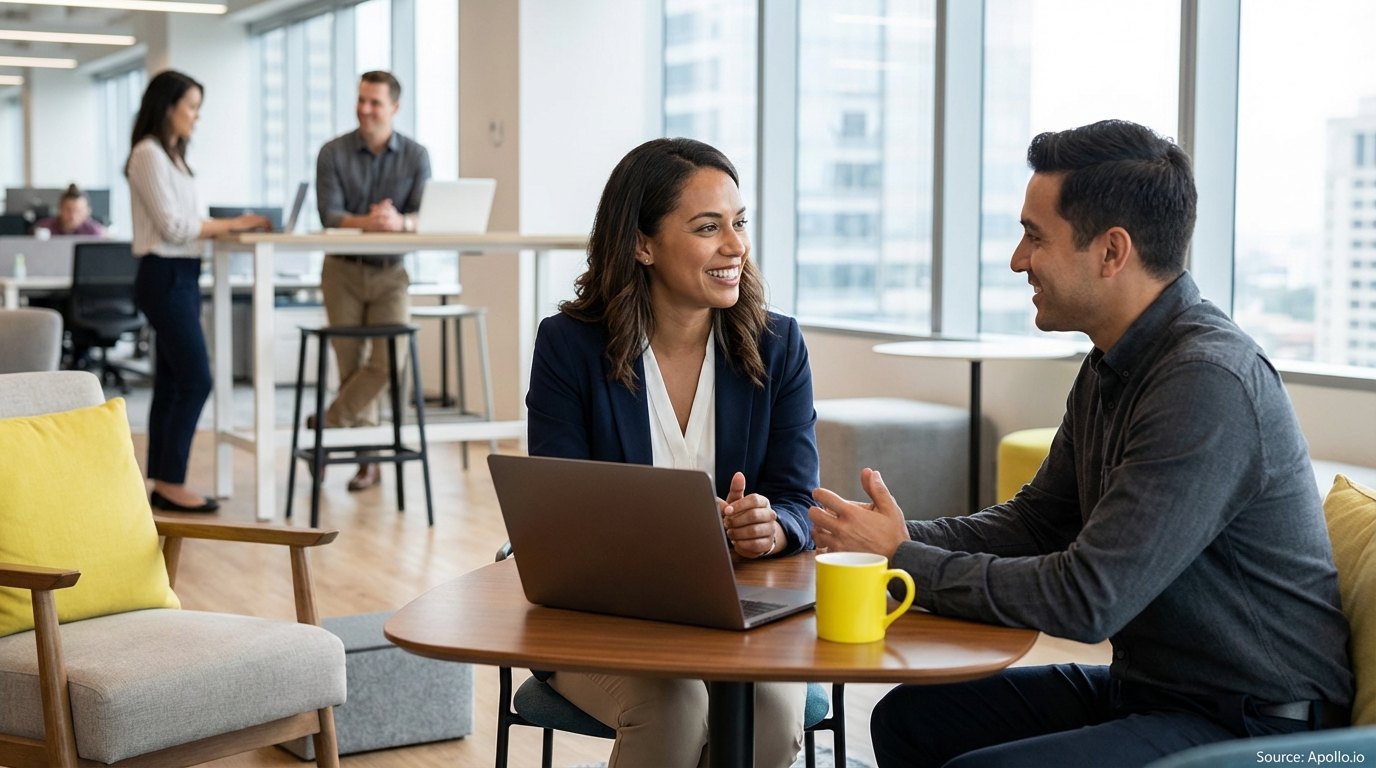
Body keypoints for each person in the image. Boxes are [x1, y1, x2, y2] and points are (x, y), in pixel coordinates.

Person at [809, 120, 1353, 768]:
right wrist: (886, 538)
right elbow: (1040, 520)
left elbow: (1087, 598)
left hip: (1261, 729)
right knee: (913, 719)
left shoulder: (1206, 382)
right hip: (1156, 692)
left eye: (1034, 237)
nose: (1017, 259)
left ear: (1111, 252)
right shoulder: (1112, 363)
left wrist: (905, 560)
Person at [526, 137, 817, 768]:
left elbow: (797, 500)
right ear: (641, 243)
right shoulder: (567, 349)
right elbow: (555, 516)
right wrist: (666, 535)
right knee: (675, 707)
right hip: (605, 614)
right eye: (708, 228)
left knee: (769, 712)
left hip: (742, 611)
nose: (735, 245)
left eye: (740, 224)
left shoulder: (779, 346)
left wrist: (770, 528)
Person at [126, 70, 271, 513]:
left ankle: (162, 483)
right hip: (163, 274)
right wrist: (233, 223)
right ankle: (171, 481)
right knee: (196, 377)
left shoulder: (174, 158)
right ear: (167, 107)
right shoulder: (147, 154)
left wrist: (222, 227)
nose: (196, 116)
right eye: (191, 106)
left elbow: (186, 223)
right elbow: (173, 227)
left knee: (172, 382)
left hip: (183, 274)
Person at [313, 70, 430, 492]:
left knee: (387, 363)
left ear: (394, 108)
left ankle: (323, 426)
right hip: (342, 270)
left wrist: (401, 221)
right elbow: (329, 214)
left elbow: (424, 214)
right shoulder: (332, 152)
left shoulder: (416, 156)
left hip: (391, 273)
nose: (365, 109)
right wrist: (374, 222)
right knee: (350, 366)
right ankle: (368, 461)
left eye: (375, 102)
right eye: (361, 100)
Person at [33, 184, 106, 236]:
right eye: (68, 210)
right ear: (60, 208)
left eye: (78, 211)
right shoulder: (44, 228)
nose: (73, 216)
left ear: (87, 211)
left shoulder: (94, 233)